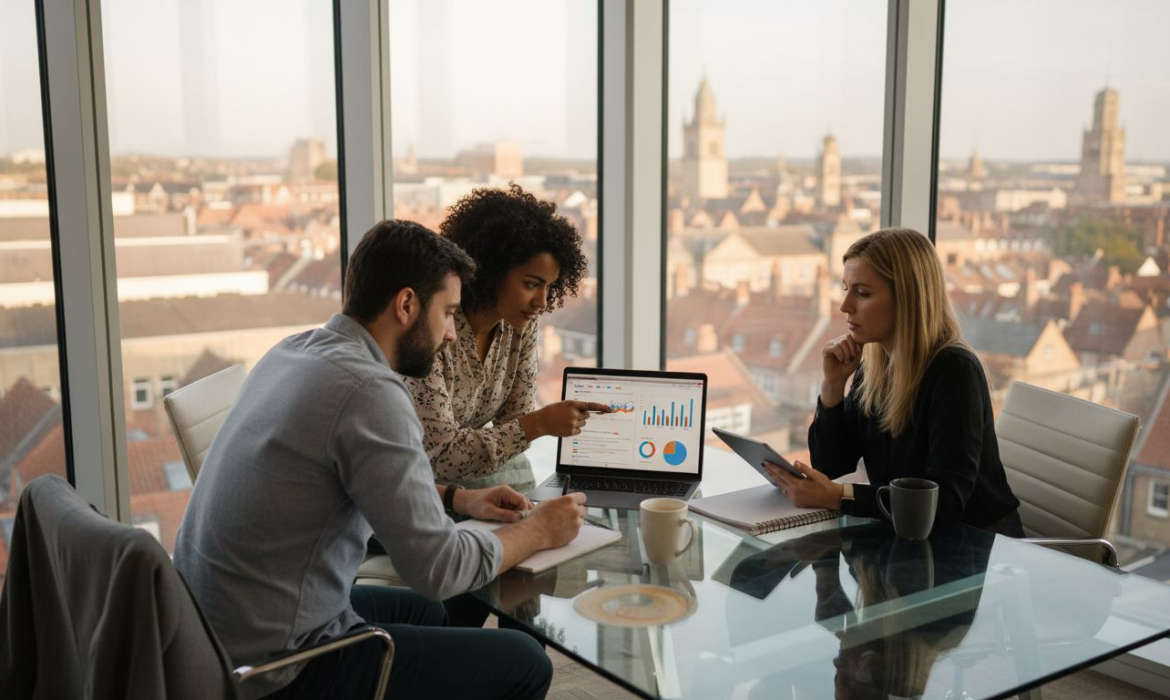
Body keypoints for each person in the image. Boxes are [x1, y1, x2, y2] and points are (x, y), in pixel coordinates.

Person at [173, 219, 587, 700]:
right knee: (524, 660)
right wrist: (539, 530)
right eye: (448, 313)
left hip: (213, 632)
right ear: (406, 304)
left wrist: (459, 498)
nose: (451, 334)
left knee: (429, 616)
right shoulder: (370, 392)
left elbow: (351, 482)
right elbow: (438, 570)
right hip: (278, 667)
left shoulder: (294, 351)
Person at [765, 228, 1024, 536]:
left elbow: (945, 503)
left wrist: (838, 497)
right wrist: (832, 387)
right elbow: (832, 466)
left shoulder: (954, 371)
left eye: (862, 293)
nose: (845, 305)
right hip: (906, 539)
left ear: (908, 298)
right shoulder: (876, 364)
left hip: (977, 548)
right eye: (845, 288)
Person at [406, 184, 610, 490]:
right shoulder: (434, 326)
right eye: (531, 284)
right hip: (420, 489)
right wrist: (540, 423)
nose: (542, 302)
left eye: (549, 287)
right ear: (488, 271)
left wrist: (533, 425)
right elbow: (441, 456)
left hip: (479, 479)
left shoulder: (520, 325)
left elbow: (515, 420)